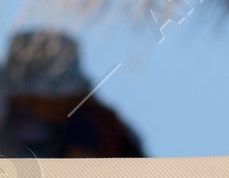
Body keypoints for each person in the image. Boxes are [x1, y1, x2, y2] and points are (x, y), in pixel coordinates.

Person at [0, 29, 144, 158]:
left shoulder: (83, 127)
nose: (29, 108)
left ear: (56, 98)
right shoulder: (104, 122)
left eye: (31, 100)